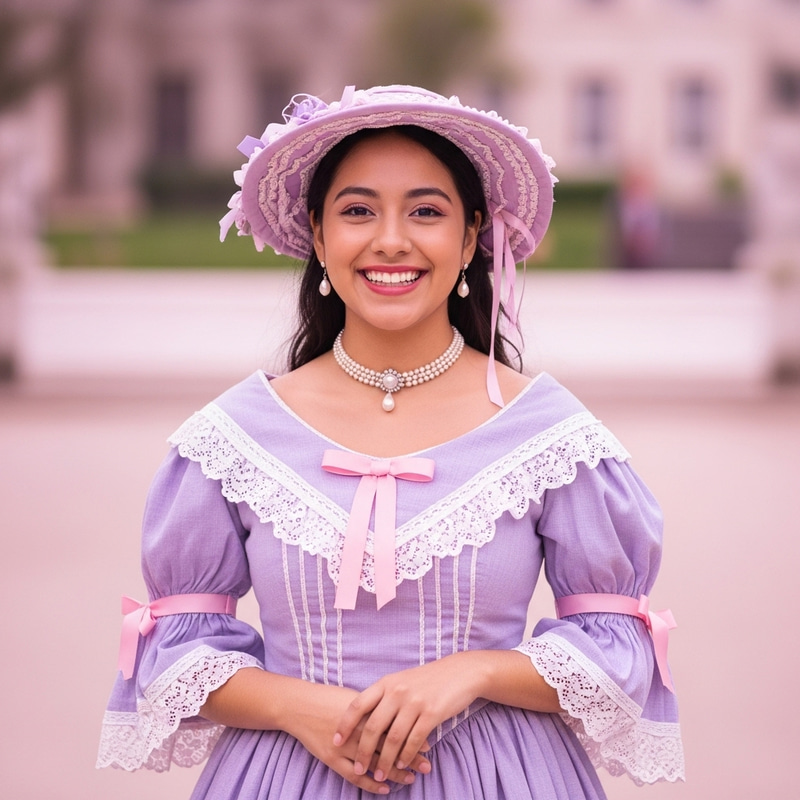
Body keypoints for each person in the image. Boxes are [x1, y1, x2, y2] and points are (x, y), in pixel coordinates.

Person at [97, 85, 684, 798]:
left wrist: (472, 673)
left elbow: (616, 650)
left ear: (471, 236)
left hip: (502, 778)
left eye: (427, 212)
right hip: (286, 777)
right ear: (318, 234)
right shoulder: (232, 437)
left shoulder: (551, 434)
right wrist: (294, 703)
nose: (391, 240)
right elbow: (176, 652)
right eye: (358, 210)